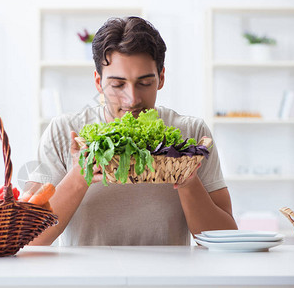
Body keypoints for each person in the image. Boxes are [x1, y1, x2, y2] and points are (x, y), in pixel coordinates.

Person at [26, 16, 237, 246]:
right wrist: (79, 176)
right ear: (98, 82)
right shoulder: (65, 132)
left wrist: (188, 181)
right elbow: (29, 238)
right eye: (117, 85)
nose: (132, 98)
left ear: (161, 78)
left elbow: (226, 238)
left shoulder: (192, 134)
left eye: (144, 83)